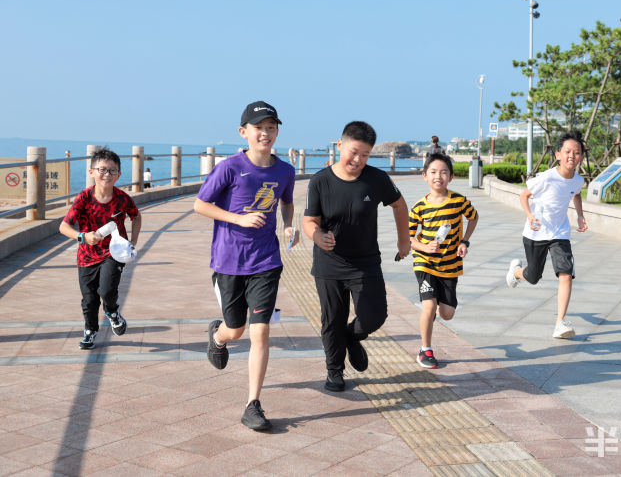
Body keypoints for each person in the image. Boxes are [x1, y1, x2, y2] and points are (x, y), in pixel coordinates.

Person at [194, 100, 298, 431]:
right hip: (228, 260)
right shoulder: (229, 167)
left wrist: (287, 225)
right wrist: (238, 219)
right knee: (235, 329)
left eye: (271, 128)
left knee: (261, 331)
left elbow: (287, 201)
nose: (265, 133)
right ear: (244, 132)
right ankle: (218, 336)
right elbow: (200, 204)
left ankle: (252, 404)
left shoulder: (285, 170)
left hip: (266, 260)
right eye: (259, 128)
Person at [302, 121, 410, 392]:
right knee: (332, 319)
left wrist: (404, 240)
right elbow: (309, 220)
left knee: (375, 316)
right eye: (354, 152)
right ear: (340, 146)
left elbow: (399, 204)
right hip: (330, 262)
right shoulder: (320, 181)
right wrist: (317, 236)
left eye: (365, 155)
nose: (358, 160)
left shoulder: (376, 179)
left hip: (365, 262)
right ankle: (334, 371)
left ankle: (351, 337)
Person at [505, 130, 588, 339]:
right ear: (558, 154)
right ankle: (516, 272)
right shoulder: (546, 178)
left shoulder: (577, 180)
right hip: (535, 233)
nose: (572, 156)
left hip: (560, 233)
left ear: (581, 157)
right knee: (533, 277)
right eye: (567, 151)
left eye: (576, 153)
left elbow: (576, 195)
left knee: (566, 273)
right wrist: (529, 215)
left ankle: (560, 323)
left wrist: (580, 216)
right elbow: (524, 195)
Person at [59, 148, 141, 350]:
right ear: (91, 172)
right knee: (89, 299)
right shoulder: (83, 199)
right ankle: (90, 330)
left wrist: (133, 242)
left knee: (107, 290)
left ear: (119, 175)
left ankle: (112, 311)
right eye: (102, 170)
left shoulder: (122, 199)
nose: (107, 174)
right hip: (86, 256)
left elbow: (136, 217)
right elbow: (64, 226)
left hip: (114, 253)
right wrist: (83, 237)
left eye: (112, 171)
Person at [409, 154, 478, 368]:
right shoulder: (419, 207)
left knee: (447, 314)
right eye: (433, 172)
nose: (438, 176)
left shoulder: (459, 201)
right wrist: (424, 247)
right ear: (424, 176)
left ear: (451, 176)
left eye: (443, 172)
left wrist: (465, 241)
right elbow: (409, 238)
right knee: (429, 305)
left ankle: (433, 307)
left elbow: (473, 217)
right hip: (425, 263)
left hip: (449, 266)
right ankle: (425, 350)